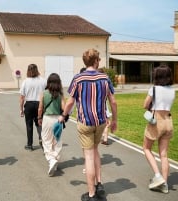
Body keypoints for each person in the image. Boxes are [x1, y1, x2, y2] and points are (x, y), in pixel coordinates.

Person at [58, 48, 117, 201]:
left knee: (89, 156)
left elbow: (71, 101)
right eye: (99, 59)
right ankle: (99, 183)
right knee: (95, 150)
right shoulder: (105, 78)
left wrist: (64, 115)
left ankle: (91, 194)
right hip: (101, 122)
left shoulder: (78, 78)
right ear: (96, 61)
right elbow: (113, 101)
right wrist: (115, 120)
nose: (99, 62)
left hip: (85, 122)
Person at [142, 65, 175, 194]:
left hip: (157, 122)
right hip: (169, 121)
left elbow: (145, 105)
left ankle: (158, 176)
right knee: (164, 154)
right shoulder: (172, 90)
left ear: (157, 76)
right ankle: (164, 184)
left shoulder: (154, 89)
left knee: (146, 148)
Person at [37, 73, 66, 176]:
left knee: (46, 140)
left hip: (47, 118)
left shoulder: (44, 93)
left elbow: (40, 108)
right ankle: (55, 159)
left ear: (48, 82)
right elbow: (64, 108)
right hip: (58, 119)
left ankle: (51, 159)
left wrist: (39, 118)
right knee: (57, 140)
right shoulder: (60, 94)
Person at [19, 64, 46, 151]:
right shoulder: (43, 80)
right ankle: (42, 140)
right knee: (40, 123)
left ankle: (29, 144)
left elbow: (22, 97)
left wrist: (21, 109)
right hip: (40, 104)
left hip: (29, 104)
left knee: (29, 124)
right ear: (37, 70)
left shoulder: (25, 81)